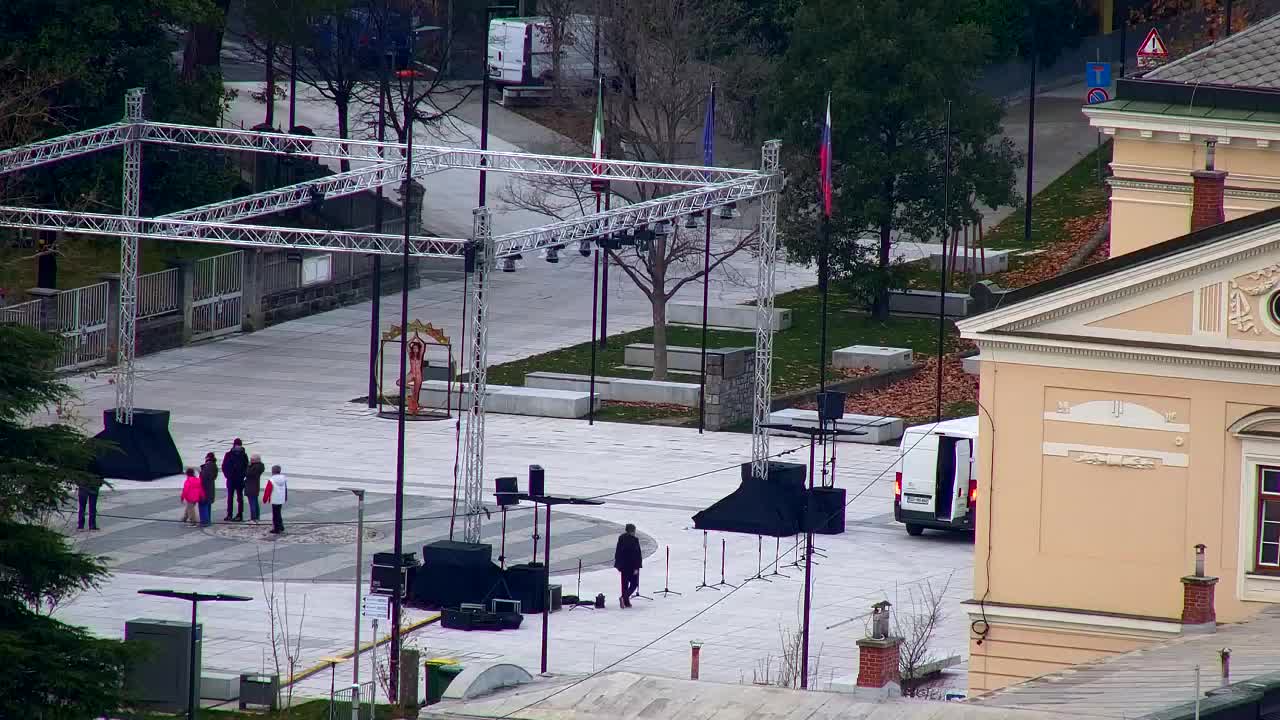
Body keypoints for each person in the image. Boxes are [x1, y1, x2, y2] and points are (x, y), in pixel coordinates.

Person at [613, 523, 643, 608]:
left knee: (624, 584)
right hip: (632, 566)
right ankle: (624, 598)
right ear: (632, 531)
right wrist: (637, 567)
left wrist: (618, 564)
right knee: (634, 584)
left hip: (623, 565)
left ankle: (626, 602)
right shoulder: (634, 540)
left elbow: (618, 551)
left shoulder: (621, 538)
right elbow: (637, 554)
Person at [221, 438, 249, 522]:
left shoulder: (243, 455)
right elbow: (224, 466)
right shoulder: (229, 454)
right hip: (232, 479)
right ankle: (231, 514)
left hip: (237, 479)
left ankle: (237, 514)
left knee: (238, 498)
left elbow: (246, 467)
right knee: (232, 498)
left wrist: (242, 475)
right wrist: (228, 475)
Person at [265, 464, 288, 534]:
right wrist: (285, 497)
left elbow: (267, 490)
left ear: (273, 471)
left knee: (275, 515)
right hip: (281, 499)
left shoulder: (271, 480)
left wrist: (265, 499)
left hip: (274, 499)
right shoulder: (284, 478)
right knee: (278, 513)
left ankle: (276, 529)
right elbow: (285, 489)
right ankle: (281, 526)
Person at [198, 452, 218, 527]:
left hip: (205, 489)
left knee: (203, 504)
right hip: (210, 488)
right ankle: (208, 520)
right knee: (208, 504)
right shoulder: (214, 466)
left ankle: (205, 521)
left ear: (207, 458)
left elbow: (203, 478)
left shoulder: (208, 466)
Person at [245, 454, 265, 523]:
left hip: (251, 487)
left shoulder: (254, 467)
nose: (250, 461)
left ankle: (253, 518)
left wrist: (248, 466)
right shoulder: (260, 466)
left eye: (252, 459)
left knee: (252, 503)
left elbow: (247, 473)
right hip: (255, 486)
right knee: (255, 502)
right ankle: (257, 517)